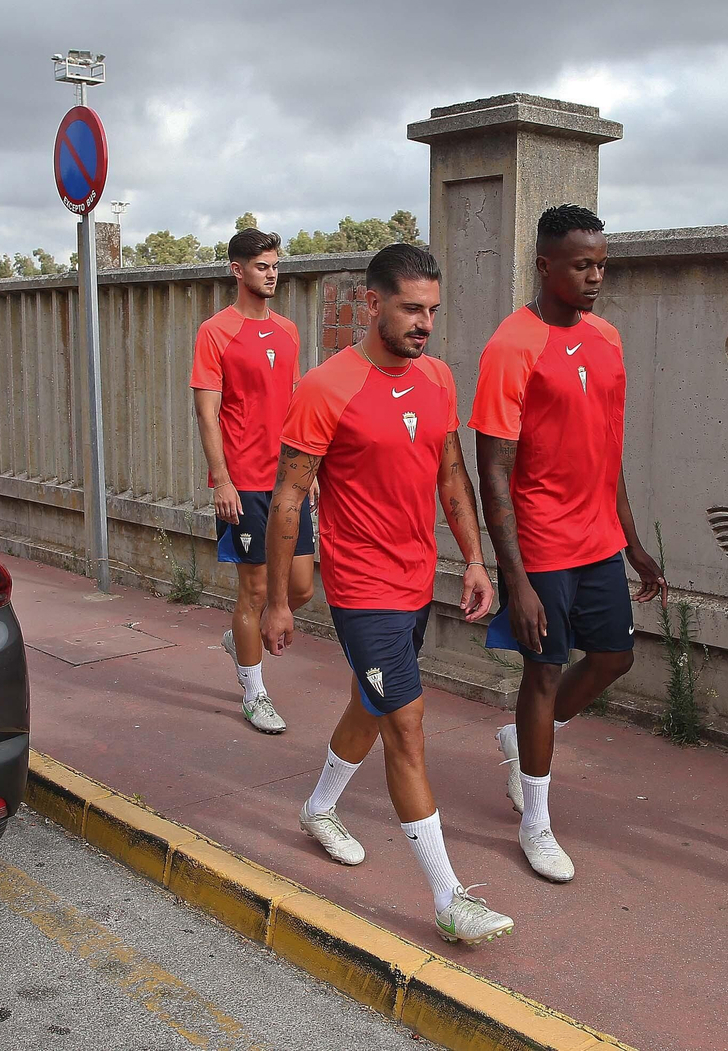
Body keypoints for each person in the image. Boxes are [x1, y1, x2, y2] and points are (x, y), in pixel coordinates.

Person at [261, 244, 514, 946]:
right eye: (411, 308)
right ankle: (448, 894)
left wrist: (473, 559)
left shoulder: (437, 378)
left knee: (371, 707)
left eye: (433, 309)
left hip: (414, 578)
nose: (424, 322)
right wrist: (278, 599)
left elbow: (452, 474)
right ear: (373, 304)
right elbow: (289, 497)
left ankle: (318, 806)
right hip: (361, 584)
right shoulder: (327, 386)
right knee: (406, 721)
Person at [471, 205, 665, 884]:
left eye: (601, 264)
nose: (595, 276)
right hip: (542, 542)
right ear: (545, 264)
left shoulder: (608, 338)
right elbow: (492, 469)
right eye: (582, 264)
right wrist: (515, 578)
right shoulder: (511, 346)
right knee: (543, 673)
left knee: (614, 656)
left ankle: (522, 738)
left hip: (598, 540)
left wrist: (633, 541)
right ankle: (537, 823)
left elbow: (606, 451)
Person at [191, 229, 314, 735]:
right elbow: (207, 412)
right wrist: (221, 480)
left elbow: (295, 404)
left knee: (300, 587)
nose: (272, 273)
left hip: (288, 481)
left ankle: (237, 639)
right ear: (237, 270)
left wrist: (307, 470)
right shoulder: (215, 332)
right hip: (242, 482)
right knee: (255, 590)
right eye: (262, 265)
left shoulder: (287, 330)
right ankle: (254, 691)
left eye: (276, 265)